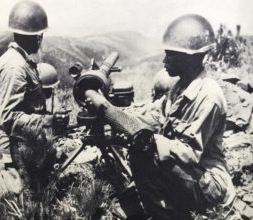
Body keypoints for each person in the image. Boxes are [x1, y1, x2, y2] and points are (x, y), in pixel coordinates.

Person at [86, 14, 236, 220]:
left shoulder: (209, 96)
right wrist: (115, 116)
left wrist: (149, 139)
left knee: (144, 153)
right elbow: (155, 116)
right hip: (188, 174)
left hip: (209, 183)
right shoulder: (179, 87)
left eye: (171, 55)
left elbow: (189, 153)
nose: (165, 60)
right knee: (139, 159)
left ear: (190, 58)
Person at [0, 0, 62, 213]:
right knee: (27, 208)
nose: (40, 38)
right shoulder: (14, 67)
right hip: (16, 155)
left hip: (24, 149)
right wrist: (48, 121)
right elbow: (10, 117)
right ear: (33, 35)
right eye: (39, 33)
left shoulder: (19, 60)